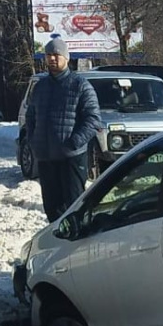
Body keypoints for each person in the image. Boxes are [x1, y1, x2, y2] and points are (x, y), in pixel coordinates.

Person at [25, 35, 102, 222]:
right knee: (52, 209)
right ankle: (57, 245)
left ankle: (77, 246)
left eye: (56, 55)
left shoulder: (80, 85)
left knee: (75, 208)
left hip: (71, 159)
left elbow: (93, 119)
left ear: (66, 58)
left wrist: (74, 142)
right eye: (48, 55)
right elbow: (31, 116)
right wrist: (34, 141)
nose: (52, 59)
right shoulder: (40, 86)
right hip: (46, 158)